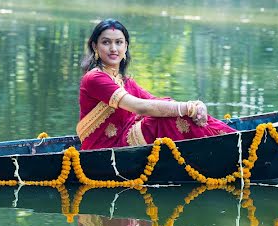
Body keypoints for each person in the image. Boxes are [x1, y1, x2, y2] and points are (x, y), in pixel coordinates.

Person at [77, 18, 234, 150]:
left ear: (126, 47)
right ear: (95, 46)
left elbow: (154, 102)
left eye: (119, 42)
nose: (113, 48)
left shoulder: (124, 81)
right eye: (106, 42)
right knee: (164, 119)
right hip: (106, 147)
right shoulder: (94, 78)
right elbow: (141, 107)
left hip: (123, 140)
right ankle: (229, 144)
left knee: (167, 107)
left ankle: (229, 137)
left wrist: (197, 105)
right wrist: (187, 108)